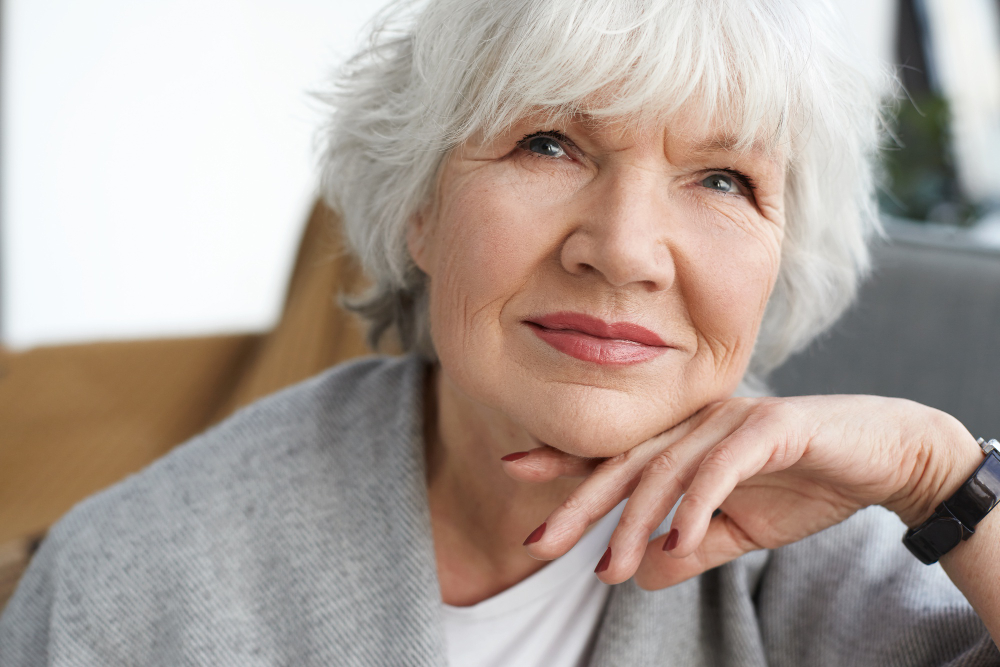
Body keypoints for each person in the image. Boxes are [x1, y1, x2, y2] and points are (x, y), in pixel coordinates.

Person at [2, 0, 999, 664]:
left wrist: (944, 477)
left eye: (722, 178)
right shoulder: (136, 576)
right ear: (418, 209)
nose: (624, 251)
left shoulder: (835, 557)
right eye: (548, 143)